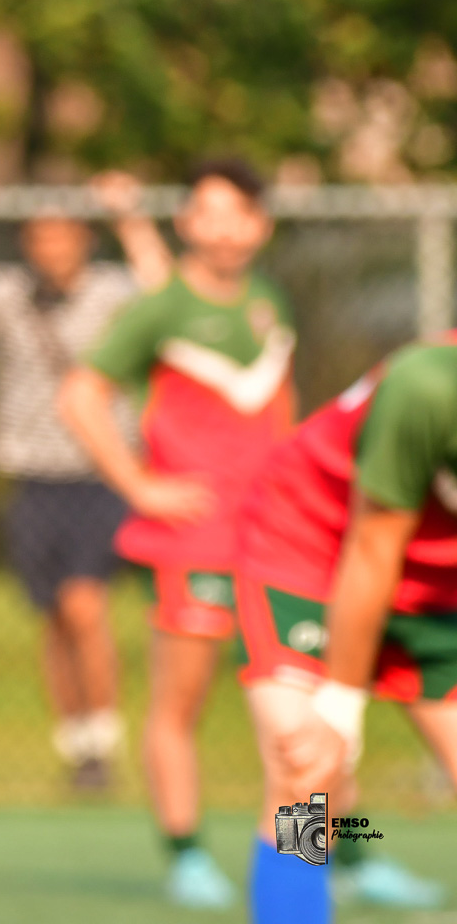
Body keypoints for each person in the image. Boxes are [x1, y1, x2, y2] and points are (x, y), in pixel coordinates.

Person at [58, 158, 291, 909]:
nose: (223, 228)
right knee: (179, 706)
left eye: (238, 212)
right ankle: (187, 857)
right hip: (195, 542)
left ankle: (315, 862)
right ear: (186, 221)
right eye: (207, 212)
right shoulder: (160, 308)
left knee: (300, 720)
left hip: (279, 543)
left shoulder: (269, 299)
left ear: (261, 225)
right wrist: (140, 486)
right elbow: (81, 395)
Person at [0, 169, 171, 788]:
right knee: (54, 614)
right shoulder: (11, 291)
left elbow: (165, 293)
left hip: (98, 472)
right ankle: (77, 743)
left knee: (85, 606)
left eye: (63, 233)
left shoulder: (111, 290)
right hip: (32, 474)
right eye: (40, 234)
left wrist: (131, 215)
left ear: (85, 237)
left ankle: (103, 739)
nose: (52, 246)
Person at [234, 338, 456, 922]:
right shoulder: (430, 384)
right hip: (311, 545)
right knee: (308, 779)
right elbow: (373, 549)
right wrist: (340, 704)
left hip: (440, 580)